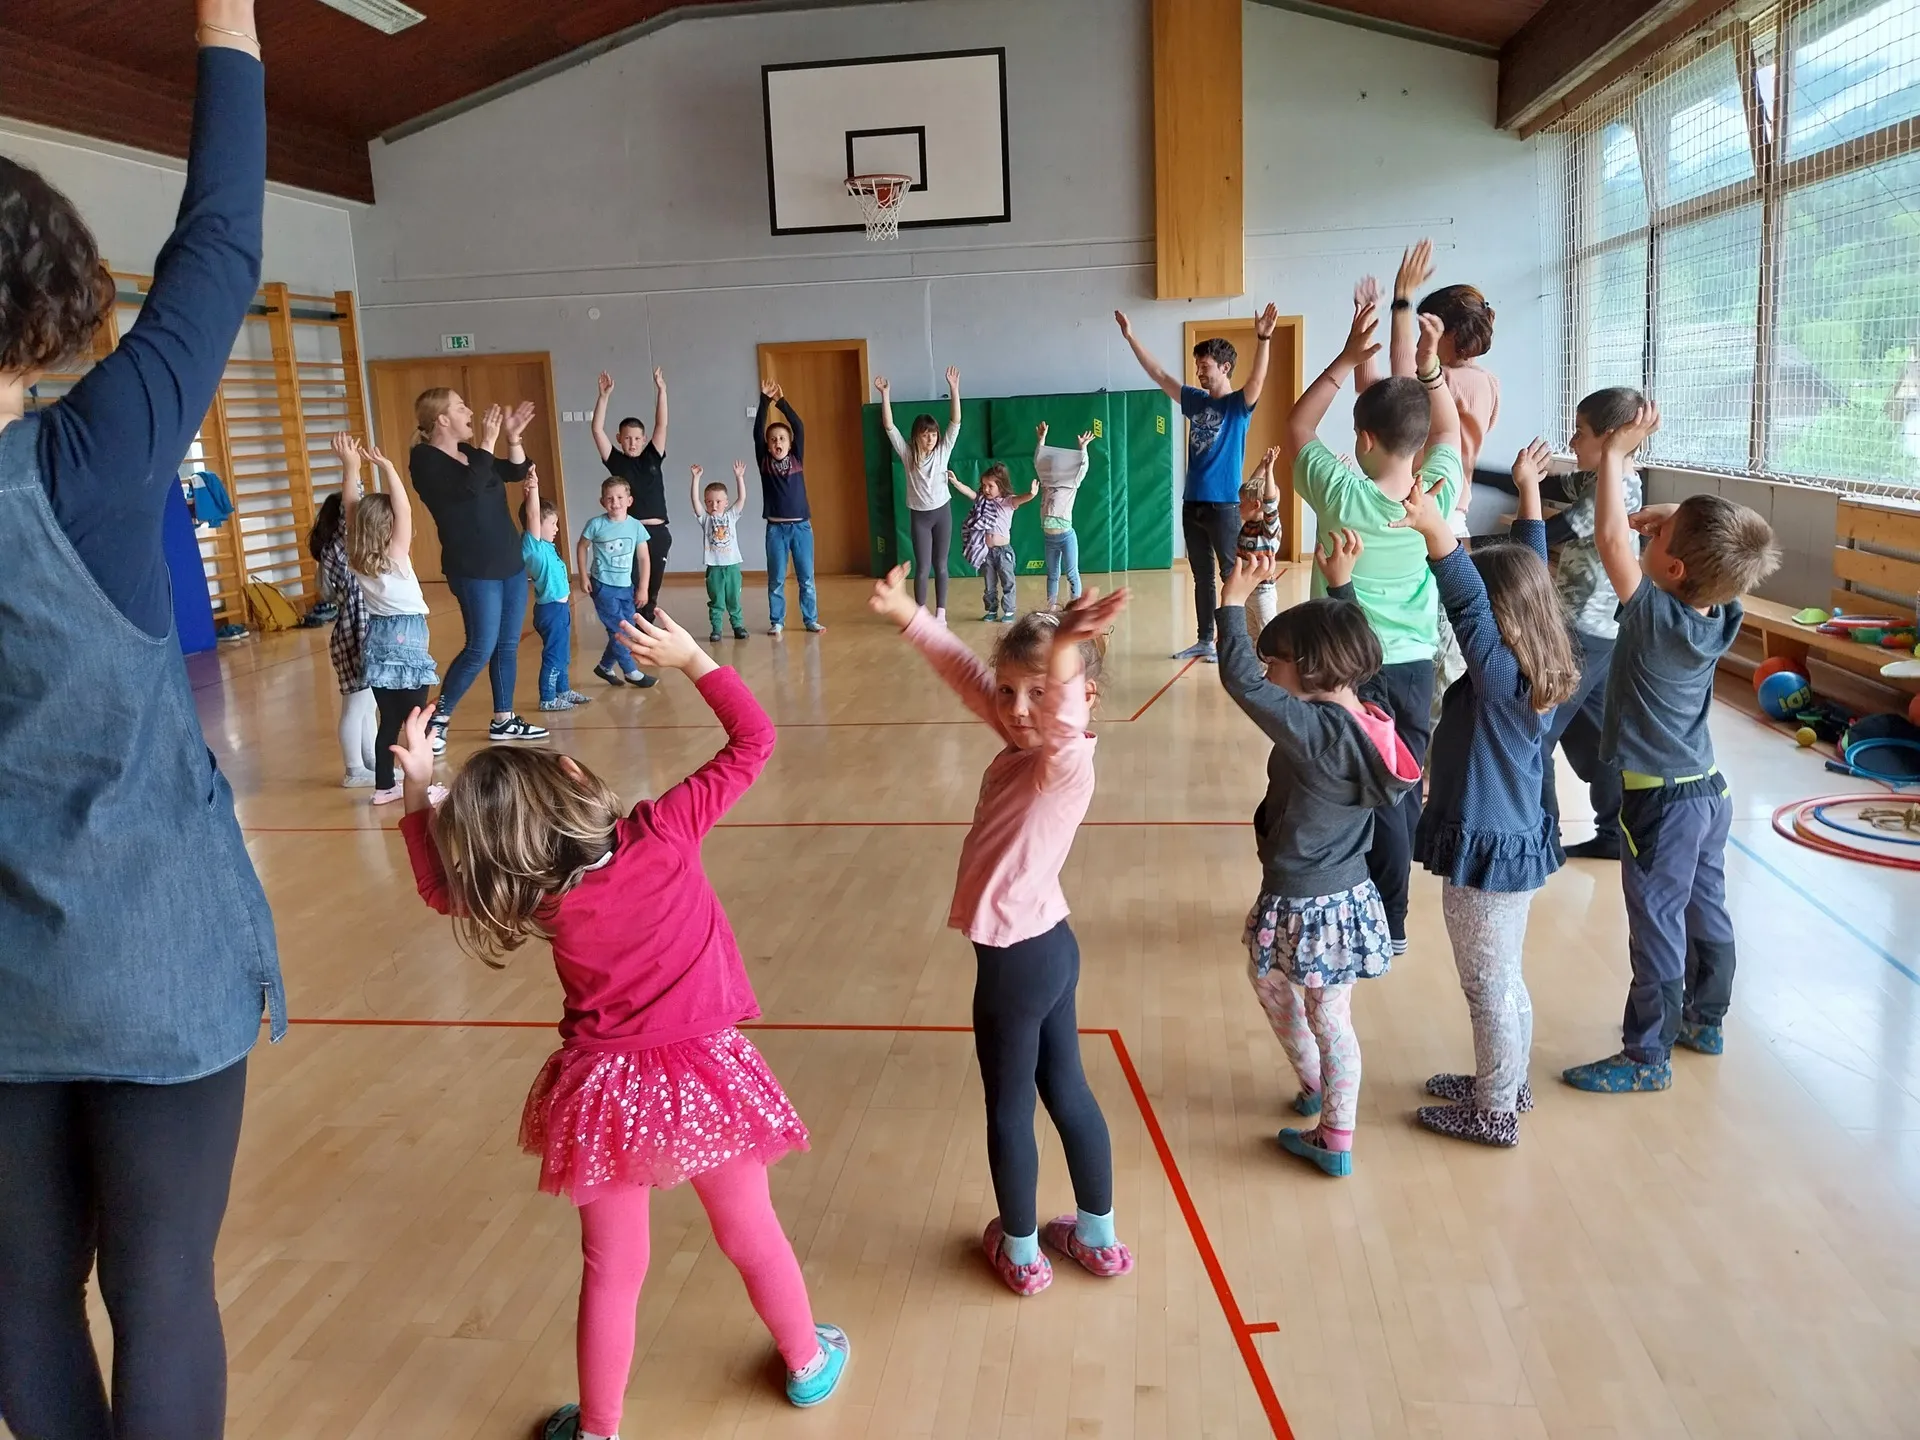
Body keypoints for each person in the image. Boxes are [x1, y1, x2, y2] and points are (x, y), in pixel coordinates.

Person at [0, 11, 286, 1432]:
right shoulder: (92, 457)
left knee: (19, 1300)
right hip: (153, 960)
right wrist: (227, 24)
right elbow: (216, 246)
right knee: (161, 1287)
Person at [392, 608, 850, 1440]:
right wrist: (694, 659)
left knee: (613, 1271)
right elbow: (754, 741)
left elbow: (438, 891)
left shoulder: (537, 894)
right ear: (574, 771)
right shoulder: (664, 830)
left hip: (605, 1094)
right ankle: (807, 1363)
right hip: (706, 1076)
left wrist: (424, 789)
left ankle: (600, 1430)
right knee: (750, 1231)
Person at [872, 567, 1135, 1295]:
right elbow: (970, 678)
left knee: (1010, 1107)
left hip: (1017, 966)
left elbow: (1059, 722)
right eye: (1010, 690)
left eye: (1039, 692)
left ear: (1084, 695)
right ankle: (1098, 1236)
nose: (1018, 709)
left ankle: (1020, 1251)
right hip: (1050, 948)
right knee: (1066, 1089)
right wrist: (909, 615)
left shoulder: (1061, 762)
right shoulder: (1027, 743)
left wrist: (1067, 649)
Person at [1563, 404, 1780, 1093]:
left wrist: (1616, 454)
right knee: (1704, 907)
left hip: (1661, 804)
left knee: (1655, 924)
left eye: (1659, 539)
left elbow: (1608, 538)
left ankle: (1646, 1056)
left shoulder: (1655, 616)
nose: (1646, 537)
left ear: (1674, 564)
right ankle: (1706, 1020)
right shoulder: (1722, 609)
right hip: (1708, 792)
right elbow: (1710, 549)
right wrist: (1670, 521)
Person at [1393, 440, 1579, 1147]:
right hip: (1512, 838)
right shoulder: (1537, 658)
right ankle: (1505, 1081)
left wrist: (1436, 531)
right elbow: (1526, 574)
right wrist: (1528, 492)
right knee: (1504, 976)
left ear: (1501, 626)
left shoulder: (1501, 681)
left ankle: (1495, 1109)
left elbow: (1469, 602)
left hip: (1490, 851)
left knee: (1488, 985)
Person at [1217, 545, 1422, 1177]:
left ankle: (1335, 1134)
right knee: (1278, 985)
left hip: (1308, 897)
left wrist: (1230, 605)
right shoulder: (1364, 711)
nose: (1266, 669)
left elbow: (1241, 682)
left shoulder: (1316, 735)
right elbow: (1352, 651)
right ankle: (1316, 1084)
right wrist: (1341, 589)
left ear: (1307, 668)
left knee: (1325, 1014)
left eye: (1274, 661)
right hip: (1338, 896)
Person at [1286, 281, 1465, 957]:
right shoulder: (1436, 489)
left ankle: (1327, 894)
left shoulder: (1340, 493)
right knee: (1398, 788)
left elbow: (1298, 428)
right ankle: (1391, 921)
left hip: (1342, 663)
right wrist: (1429, 366)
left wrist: (1343, 360)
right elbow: (1446, 430)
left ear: (1363, 439)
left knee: (1327, 774)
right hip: (1413, 664)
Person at [1116, 302, 1279, 662]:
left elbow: (1257, 380)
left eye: (1205, 367)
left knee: (1230, 573)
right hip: (1193, 503)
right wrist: (1130, 337)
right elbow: (1159, 374)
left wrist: (1264, 339)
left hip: (1224, 505)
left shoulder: (1238, 406)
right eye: (1197, 367)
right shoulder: (1195, 400)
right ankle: (1205, 639)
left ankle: (1235, 640)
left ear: (1224, 367)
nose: (1199, 373)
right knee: (1201, 576)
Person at [1538, 386, 1648, 861]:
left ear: (1611, 438)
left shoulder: (1617, 486)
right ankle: (1614, 833)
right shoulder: (1597, 478)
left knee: (1534, 732)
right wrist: (1472, 466)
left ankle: (1539, 842)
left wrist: (1461, 547)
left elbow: (1549, 533)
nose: (1572, 441)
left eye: (1580, 432)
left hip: (1582, 632)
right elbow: (1545, 487)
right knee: (1601, 739)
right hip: (1600, 633)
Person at [409, 389, 548, 750]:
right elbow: (467, 488)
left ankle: (504, 719)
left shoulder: (471, 452)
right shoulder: (424, 460)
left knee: (506, 645)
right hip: (472, 567)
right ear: (442, 419)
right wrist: (488, 441)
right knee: (480, 647)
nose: (470, 412)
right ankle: (437, 720)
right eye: (460, 407)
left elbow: (516, 470)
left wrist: (512, 439)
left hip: (509, 561)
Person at [341, 436, 448, 808]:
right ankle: (424, 784)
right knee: (416, 720)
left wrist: (351, 467)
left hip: (378, 637)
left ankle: (385, 786)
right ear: (388, 528)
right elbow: (404, 509)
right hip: (407, 636)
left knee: (389, 720)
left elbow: (351, 508)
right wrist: (386, 467)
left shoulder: (356, 554)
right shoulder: (396, 554)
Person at [879, 368, 963, 621]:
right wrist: (885, 395)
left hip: (942, 512)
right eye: (925, 434)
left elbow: (955, 422)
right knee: (923, 567)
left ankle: (941, 613)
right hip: (920, 517)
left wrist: (954, 389)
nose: (930, 438)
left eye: (933, 434)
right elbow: (889, 427)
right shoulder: (908, 456)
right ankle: (921, 614)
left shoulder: (942, 452)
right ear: (916, 436)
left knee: (941, 564)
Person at [590, 368, 670, 622]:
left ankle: (647, 629)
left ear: (644, 439)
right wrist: (603, 397)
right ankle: (631, 630)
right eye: (627, 438)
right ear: (619, 439)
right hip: (629, 533)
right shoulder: (616, 461)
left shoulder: (653, 455)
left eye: (637, 438)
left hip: (657, 532)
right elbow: (597, 430)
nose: (632, 443)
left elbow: (661, 424)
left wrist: (661, 390)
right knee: (632, 586)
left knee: (651, 589)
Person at [309, 489, 376, 786]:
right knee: (356, 704)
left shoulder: (341, 549)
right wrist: (352, 472)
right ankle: (354, 769)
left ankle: (371, 762)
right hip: (353, 632)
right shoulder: (339, 546)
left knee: (368, 703)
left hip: (358, 629)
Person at [754, 381, 824, 635]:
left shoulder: (796, 458)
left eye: (782, 438)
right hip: (776, 530)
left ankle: (810, 620)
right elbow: (757, 431)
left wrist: (781, 403)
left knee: (806, 578)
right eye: (773, 440)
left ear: (790, 443)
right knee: (776, 579)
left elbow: (799, 426)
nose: (777, 442)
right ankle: (777, 621)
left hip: (801, 527)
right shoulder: (765, 462)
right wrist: (764, 401)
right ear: (767, 445)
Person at [522, 466, 589, 712]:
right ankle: (548, 697)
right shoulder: (534, 546)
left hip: (560, 609)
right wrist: (533, 488)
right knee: (554, 655)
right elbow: (532, 514)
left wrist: (529, 495)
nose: (556, 528)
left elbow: (533, 513)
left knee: (563, 653)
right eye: (553, 523)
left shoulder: (547, 546)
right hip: (550, 611)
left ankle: (563, 690)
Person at [576, 476, 653, 688]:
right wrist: (583, 576)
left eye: (620, 497)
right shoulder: (596, 524)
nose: (615, 502)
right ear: (602, 502)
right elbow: (582, 546)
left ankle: (605, 666)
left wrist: (643, 588)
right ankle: (631, 671)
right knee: (619, 629)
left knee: (628, 627)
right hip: (602, 586)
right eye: (609, 498)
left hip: (626, 587)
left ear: (629, 500)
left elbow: (644, 558)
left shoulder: (636, 526)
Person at [950, 461, 1038, 622]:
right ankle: (991, 610)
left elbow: (1020, 499)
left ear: (1001, 486)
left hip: (1003, 551)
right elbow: (970, 493)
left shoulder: (1008, 502)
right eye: (984, 485)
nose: (986, 489)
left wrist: (1031, 494)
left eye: (990, 486)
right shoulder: (983, 501)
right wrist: (956, 483)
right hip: (987, 552)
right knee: (989, 584)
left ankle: (1009, 611)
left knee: (1008, 582)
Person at [1034, 421, 1092, 608]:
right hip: (1049, 538)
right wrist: (1041, 440)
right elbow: (1039, 462)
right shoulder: (1046, 482)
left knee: (1072, 573)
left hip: (1066, 536)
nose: (1054, 470)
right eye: (1052, 467)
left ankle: (1076, 608)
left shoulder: (1071, 483)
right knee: (1052, 575)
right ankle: (1051, 608)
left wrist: (1083, 449)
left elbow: (1082, 468)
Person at [696, 461, 750, 642]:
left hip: (732, 566)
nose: (714, 505)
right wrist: (696, 479)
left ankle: (738, 626)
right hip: (714, 567)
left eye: (718, 501)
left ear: (726, 503)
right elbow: (695, 501)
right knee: (716, 600)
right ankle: (716, 628)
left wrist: (739, 478)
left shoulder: (731, 516)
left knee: (734, 598)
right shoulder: (706, 519)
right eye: (709, 502)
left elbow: (741, 499)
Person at [1236, 446, 1284, 639]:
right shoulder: (1248, 523)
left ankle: (1270, 659)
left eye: (1241, 503)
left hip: (1263, 592)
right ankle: (1255, 660)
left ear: (1256, 505)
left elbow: (1269, 503)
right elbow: (1251, 489)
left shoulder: (1268, 530)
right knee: (1251, 635)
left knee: (1267, 635)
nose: (1238, 506)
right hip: (1247, 590)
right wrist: (1262, 466)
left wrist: (1270, 470)